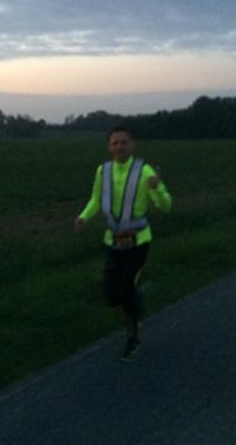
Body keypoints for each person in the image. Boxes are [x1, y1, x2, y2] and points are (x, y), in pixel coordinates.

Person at [75, 126, 172, 362]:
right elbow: (96, 199)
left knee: (126, 290)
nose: (120, 147)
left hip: (138, 243)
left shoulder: (145, 171)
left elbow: (166, 206)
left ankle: (133, 338)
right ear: (109, 147)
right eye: (115, 143)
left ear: (132, 145)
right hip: (112, 242)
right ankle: (137, 298)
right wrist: (83, 217)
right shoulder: (103, 170)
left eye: (124, 142)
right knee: (111, 296)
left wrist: (157, 189)